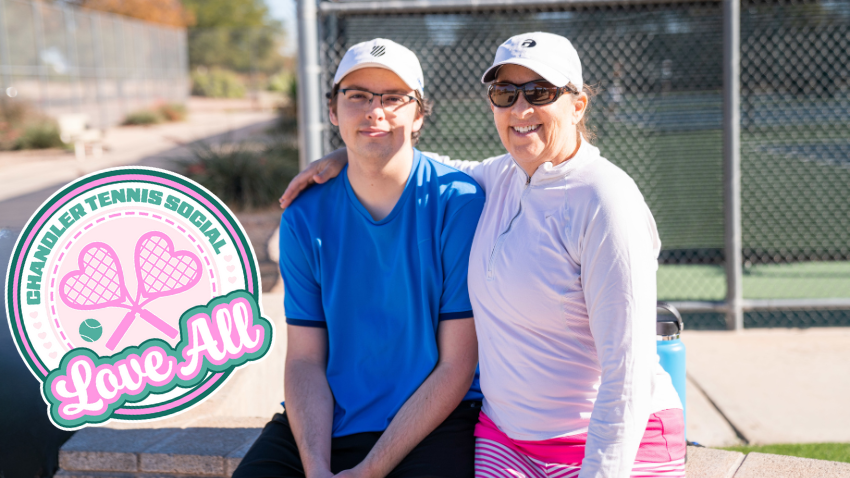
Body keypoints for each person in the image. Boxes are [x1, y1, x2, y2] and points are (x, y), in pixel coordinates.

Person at [280, 32, 686, 478]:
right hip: (507, 444)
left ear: (578, 105)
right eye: (504, 93)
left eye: (540, 92)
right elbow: (405, 161)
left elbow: (627, 373)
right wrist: (348, 150)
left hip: (602, 442)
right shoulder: (499, 177)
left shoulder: (606, 201)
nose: (520, 109)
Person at [235, 39, 485, 478]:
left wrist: (370, 470)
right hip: (329, 419)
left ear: (419, 114)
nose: (375, 111)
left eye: (393, 98)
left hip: (435, 419)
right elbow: (304, 360)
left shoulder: (458, 203)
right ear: (333, 111)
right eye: (358, 97)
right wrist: (316, 468)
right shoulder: (304, 215)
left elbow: (456, 365)